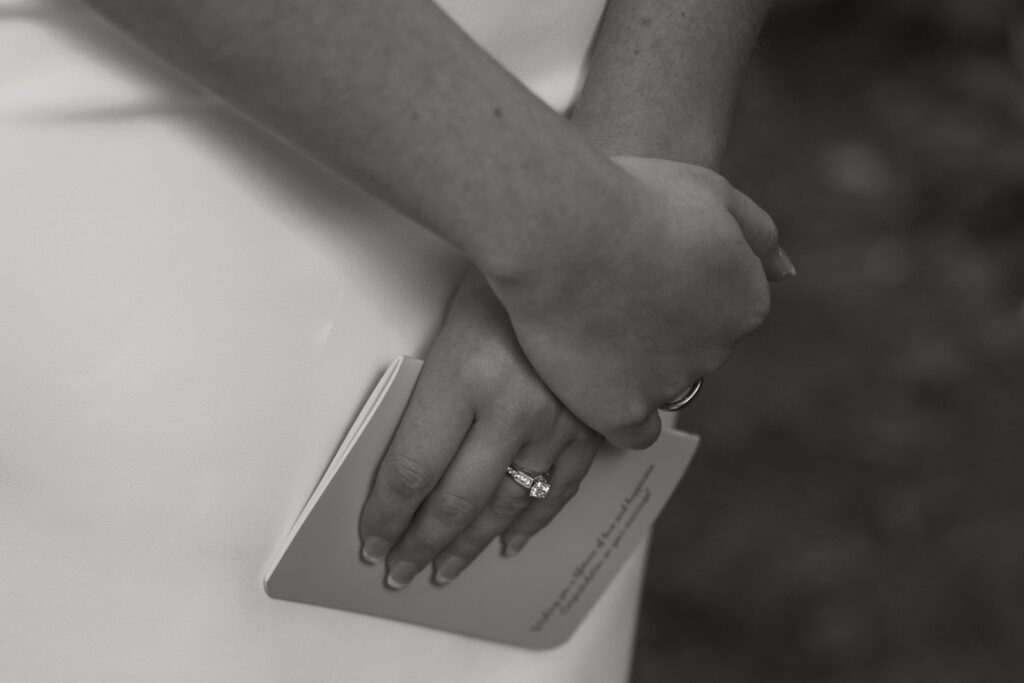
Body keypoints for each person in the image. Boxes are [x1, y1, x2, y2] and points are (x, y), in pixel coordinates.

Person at [0, 0, 786, 679]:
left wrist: (643, 150)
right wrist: (577, 241)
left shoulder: (614, 241)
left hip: (600, 146)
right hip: (150, 187)